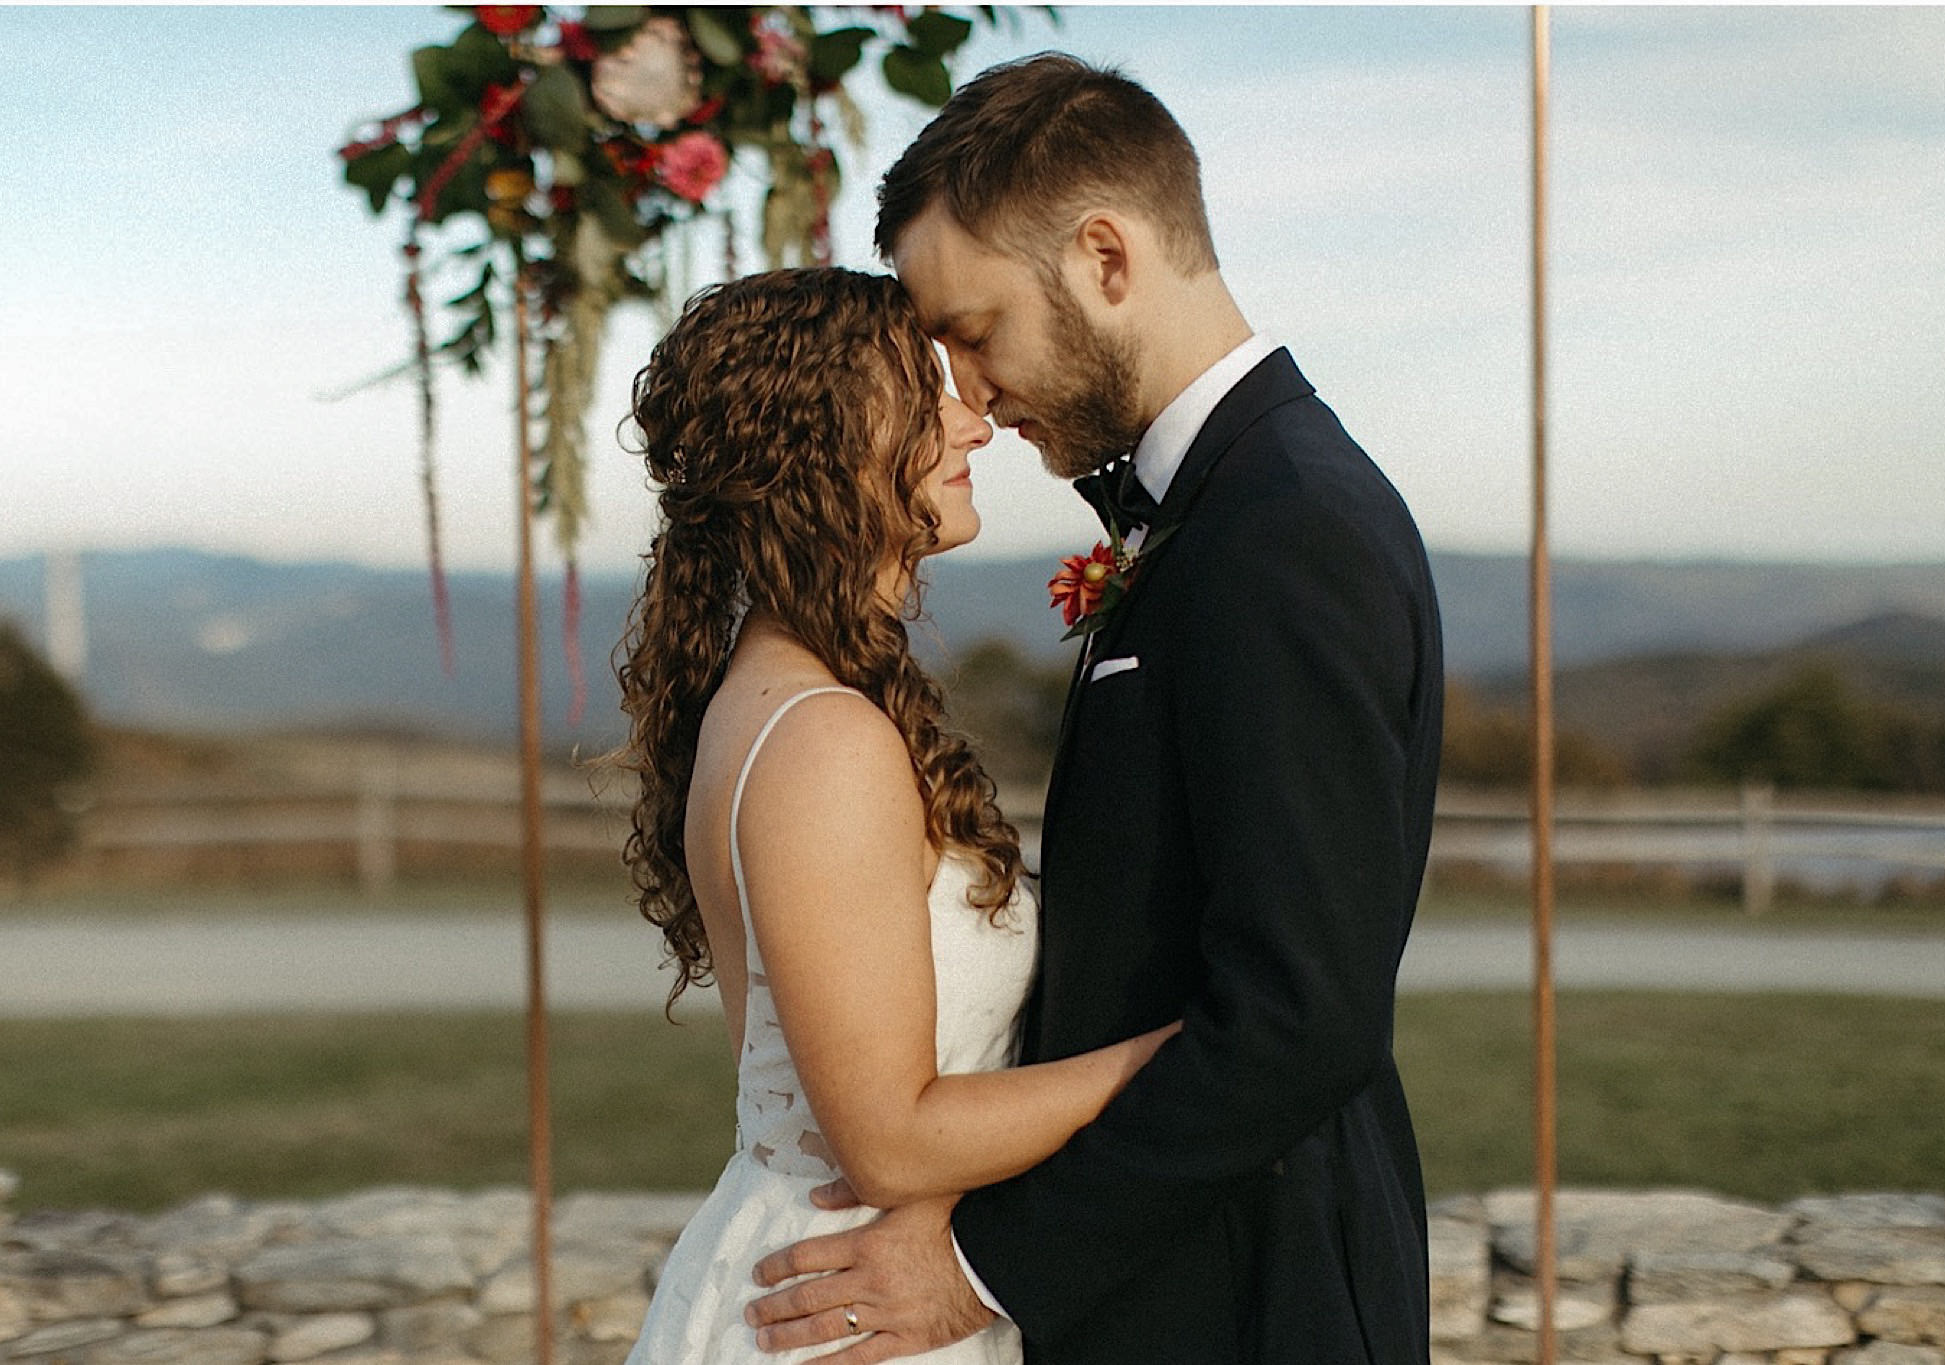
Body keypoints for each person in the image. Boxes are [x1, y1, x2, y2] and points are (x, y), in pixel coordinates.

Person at [746, 54, 1444, 1364]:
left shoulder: (1285, 528)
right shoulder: (1210, 512)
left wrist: (982, 1266)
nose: (966, 387)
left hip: (1249, 1293)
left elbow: (1303, 1016)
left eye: (971, 327)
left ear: (1105, 258)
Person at [614, 267, 1179, 1364]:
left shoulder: (786, 699)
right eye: (924, 402)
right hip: (845, 1310)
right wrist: (1177, 1055)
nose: (972, 423)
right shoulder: (821, 741)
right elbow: (887, 1142)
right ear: (825, 448)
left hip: (852, 1280)